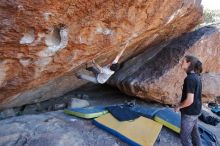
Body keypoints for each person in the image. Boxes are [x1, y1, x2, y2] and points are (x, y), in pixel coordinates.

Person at [174, 55, 203, 146]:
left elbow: (190, 100)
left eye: (183, 61)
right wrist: (180, 102)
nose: (181, 62)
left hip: (189, 113)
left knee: (184, 138)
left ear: (189, 63)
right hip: (196, 111)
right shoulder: (197, 77)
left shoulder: (189, 79)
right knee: (195, 134)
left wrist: (179, 106)